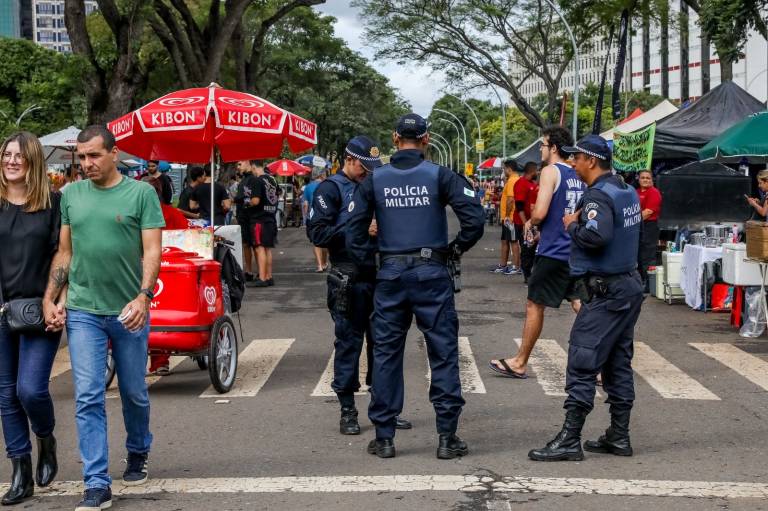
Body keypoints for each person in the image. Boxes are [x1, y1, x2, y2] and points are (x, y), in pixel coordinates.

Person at [347, 113, 484, 459]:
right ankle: (446, 437)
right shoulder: (440, 175)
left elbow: (353, 231)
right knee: (442, 353)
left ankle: (385, 436)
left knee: (386, 355)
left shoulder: (375, 181)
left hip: (390, 275)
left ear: (394, 139)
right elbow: (475, 220)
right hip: (431, 272)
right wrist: (454, 249)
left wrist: (374, 259)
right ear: (426, 139)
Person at [43, 125, 164, 511]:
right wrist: (53, 296)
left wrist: (143, 298)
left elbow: (152, 250)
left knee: (133, 392)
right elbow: (64, 252)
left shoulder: (141, 193)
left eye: (94, 155)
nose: (86, 163)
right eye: (81, 157)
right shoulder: (70, 195)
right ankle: (96, 481)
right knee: (88, 395)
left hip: (129, 309)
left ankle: (138, 448)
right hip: (83, 310)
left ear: (115, 154)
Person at [529, 134, 643, 462]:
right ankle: (618, 435)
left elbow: (597, 235)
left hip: (606, 291)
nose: (573, 164)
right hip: (627, 286)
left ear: (590, 161)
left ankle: (569, 439)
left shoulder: (597, 196)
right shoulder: (626, 190)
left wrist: (571, 225)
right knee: (617, 362)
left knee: (581, 360)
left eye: (576, 159)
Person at [308, 135, 412, 436]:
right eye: (363, 166)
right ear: (348, 159)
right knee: (349, 344)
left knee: (383, 344)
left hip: (381, 276)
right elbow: (317, 233)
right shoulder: (331, 189)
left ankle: (384, 408)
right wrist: (356, 228)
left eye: (371, 167)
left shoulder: (377, 184)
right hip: (349, 275)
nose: (368, 172)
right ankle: (347, 410)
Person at [489, 126, 585, 379]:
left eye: (543, 144)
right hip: (574, 248)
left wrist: (531, 223)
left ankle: (520, 361)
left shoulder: (550, 171)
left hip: (553, 251)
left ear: (554, 147)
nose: (541, 149)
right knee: (579, 302)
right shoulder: (577, 173)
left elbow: (541, 212)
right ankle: (602, 361)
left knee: (534, 304)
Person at [0, 132, 65, 505]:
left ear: (33, 162)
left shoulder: (52, 204)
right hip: (1, 308)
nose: (11, 161)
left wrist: (56, 301)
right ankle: (20, 470)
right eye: (6, 154)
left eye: (18, 156)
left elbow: (64, 254)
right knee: (6, 394)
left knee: (30, 390)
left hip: (39, 308)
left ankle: (46, 437)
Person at [246, 162, 279, 287]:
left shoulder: (256, 181)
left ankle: (262, 277)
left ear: (254, 167)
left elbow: (255, 201)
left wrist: (247, 203)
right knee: (267, 248)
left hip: (259, 219)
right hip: (270, 217)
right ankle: (269, 276)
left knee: (259, 248)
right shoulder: (272, 180)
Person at [490, 160, 520, 275]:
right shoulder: (511, 180)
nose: (503, 171)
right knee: (505, 241)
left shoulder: (513, 180)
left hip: (510, 218)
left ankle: (516, 267)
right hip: (507, 218)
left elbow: (510, 199)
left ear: (509, 169)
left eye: (504, 169)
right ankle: (503, 265)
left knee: (513, 241)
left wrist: (507, 215)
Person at [514, 162, 540, 283]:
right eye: (537, 171)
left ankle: (531, 273)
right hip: (523, 223)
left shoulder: (532, 184)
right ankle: (527, 275)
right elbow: (519, 206)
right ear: (532, 171)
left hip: (533, 222)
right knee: (527, 248)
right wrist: (526, 224)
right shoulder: (521, 184)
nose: (538, 173)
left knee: (532, 248)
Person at [636, 170, 662, 290]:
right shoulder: (635, 192)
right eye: (643, 178)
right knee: (638, 255)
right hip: (638, 227)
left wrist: (630, 219)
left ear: (652, 180)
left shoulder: (654, 193)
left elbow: (648, 212)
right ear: (639, 179)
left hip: (649, 226)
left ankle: (648, 284)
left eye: (648, 178)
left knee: (648, 255)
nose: (645, 180)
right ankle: (640, 281)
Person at [234, 161, 259, 281]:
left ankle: (260, 271)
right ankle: (248, 270)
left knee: (256, 245)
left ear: (248, 162)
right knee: (246, 244)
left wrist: (242, 201)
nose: (238, 167)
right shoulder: (242, 181)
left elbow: (255, 200)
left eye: (240, 164)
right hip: (243, 217)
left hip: (252, 217)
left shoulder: (253, 180)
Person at [305, 169, 329, 272]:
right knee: (325, 241)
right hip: (325, 216)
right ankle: (324, 263)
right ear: (321, 175)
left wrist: (307, 216)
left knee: (316, 242)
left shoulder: (308, 187)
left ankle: (319, 265)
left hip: (312, 217)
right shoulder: (327, 186)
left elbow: (305, 204)